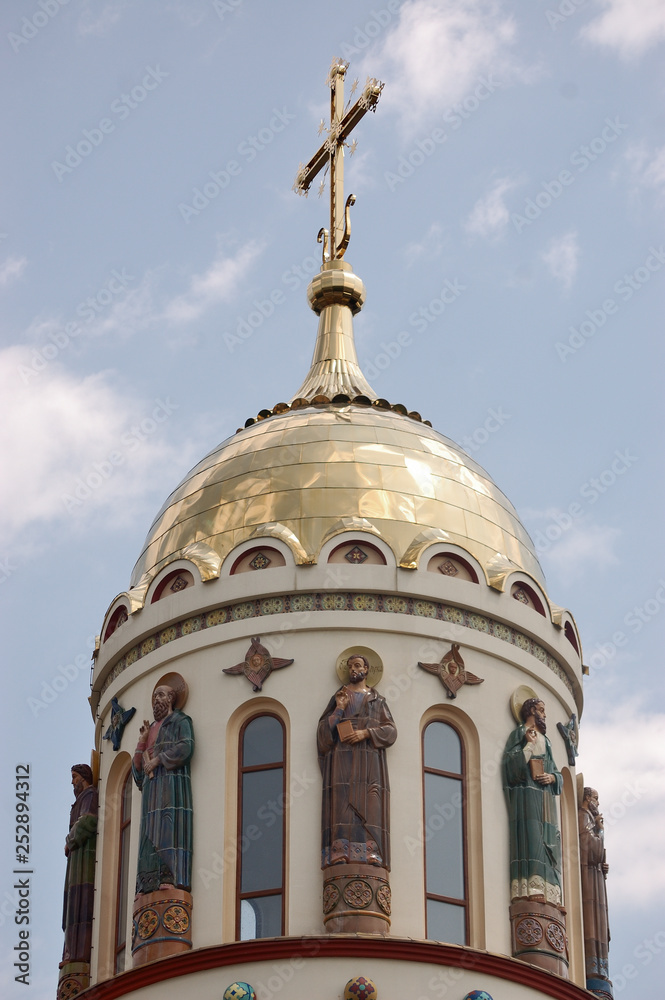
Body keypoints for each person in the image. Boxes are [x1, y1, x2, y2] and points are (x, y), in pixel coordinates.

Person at [317, 654, 397, 868]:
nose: (354, 669)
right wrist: (339, 708)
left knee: (371, 801)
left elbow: (390, 731)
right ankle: (339, 850)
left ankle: (371, 851)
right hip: (341, 758)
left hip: (368, 761)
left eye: (358, 665)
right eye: (350, 666)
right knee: (342, 802)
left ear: (367, 670)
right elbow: (324, 734)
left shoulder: (377, 701)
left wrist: (366, 734)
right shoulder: (339, 697)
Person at [132, 683, 194, 895]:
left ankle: (170, 877)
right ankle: (146, 882)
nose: (155, 700)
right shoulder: (151, 731)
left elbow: (186, 747)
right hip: (151, 791)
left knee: (168, 830)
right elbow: (138, 773)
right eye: (154, 696)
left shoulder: (180, 721)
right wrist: (141, 743)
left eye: (160, 695)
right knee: (148, 834)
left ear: (171, 698)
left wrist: (158, 759)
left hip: (170, 786)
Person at [502, 697, 563, 904]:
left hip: (545, 797)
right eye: (541, 710)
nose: (545, 715)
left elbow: (555, 770)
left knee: (549, 841)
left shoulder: (546, 741)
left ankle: (551, 891)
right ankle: (531, 887)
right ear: (531, 712)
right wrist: (528, 745)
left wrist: (552, 777)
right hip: (526, 793)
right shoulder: (519, 734)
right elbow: (511, 766)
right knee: (532, 837)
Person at [61, 764, 98, 966]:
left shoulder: (90, 795)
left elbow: (89, 821)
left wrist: (70, 839)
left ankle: (79, 952)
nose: (72, 781)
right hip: (76, 856)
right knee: (72, 905)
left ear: (84, 777)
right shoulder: (79, 800)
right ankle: (71, 951)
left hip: (84, 854)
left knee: (81, 903)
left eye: (75, 776)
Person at [579, 787, 611, 982]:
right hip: (589, 878)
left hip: (596, 877)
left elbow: (597, 855)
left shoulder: (590, 818)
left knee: (598, 923)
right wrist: (599, 830)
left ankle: (600, 967)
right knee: (592, 922)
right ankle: (594, 968)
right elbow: (589, 848)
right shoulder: (583, 817)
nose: (598, 803)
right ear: (587, 798)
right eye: (596, 799)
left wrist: (603, 865)